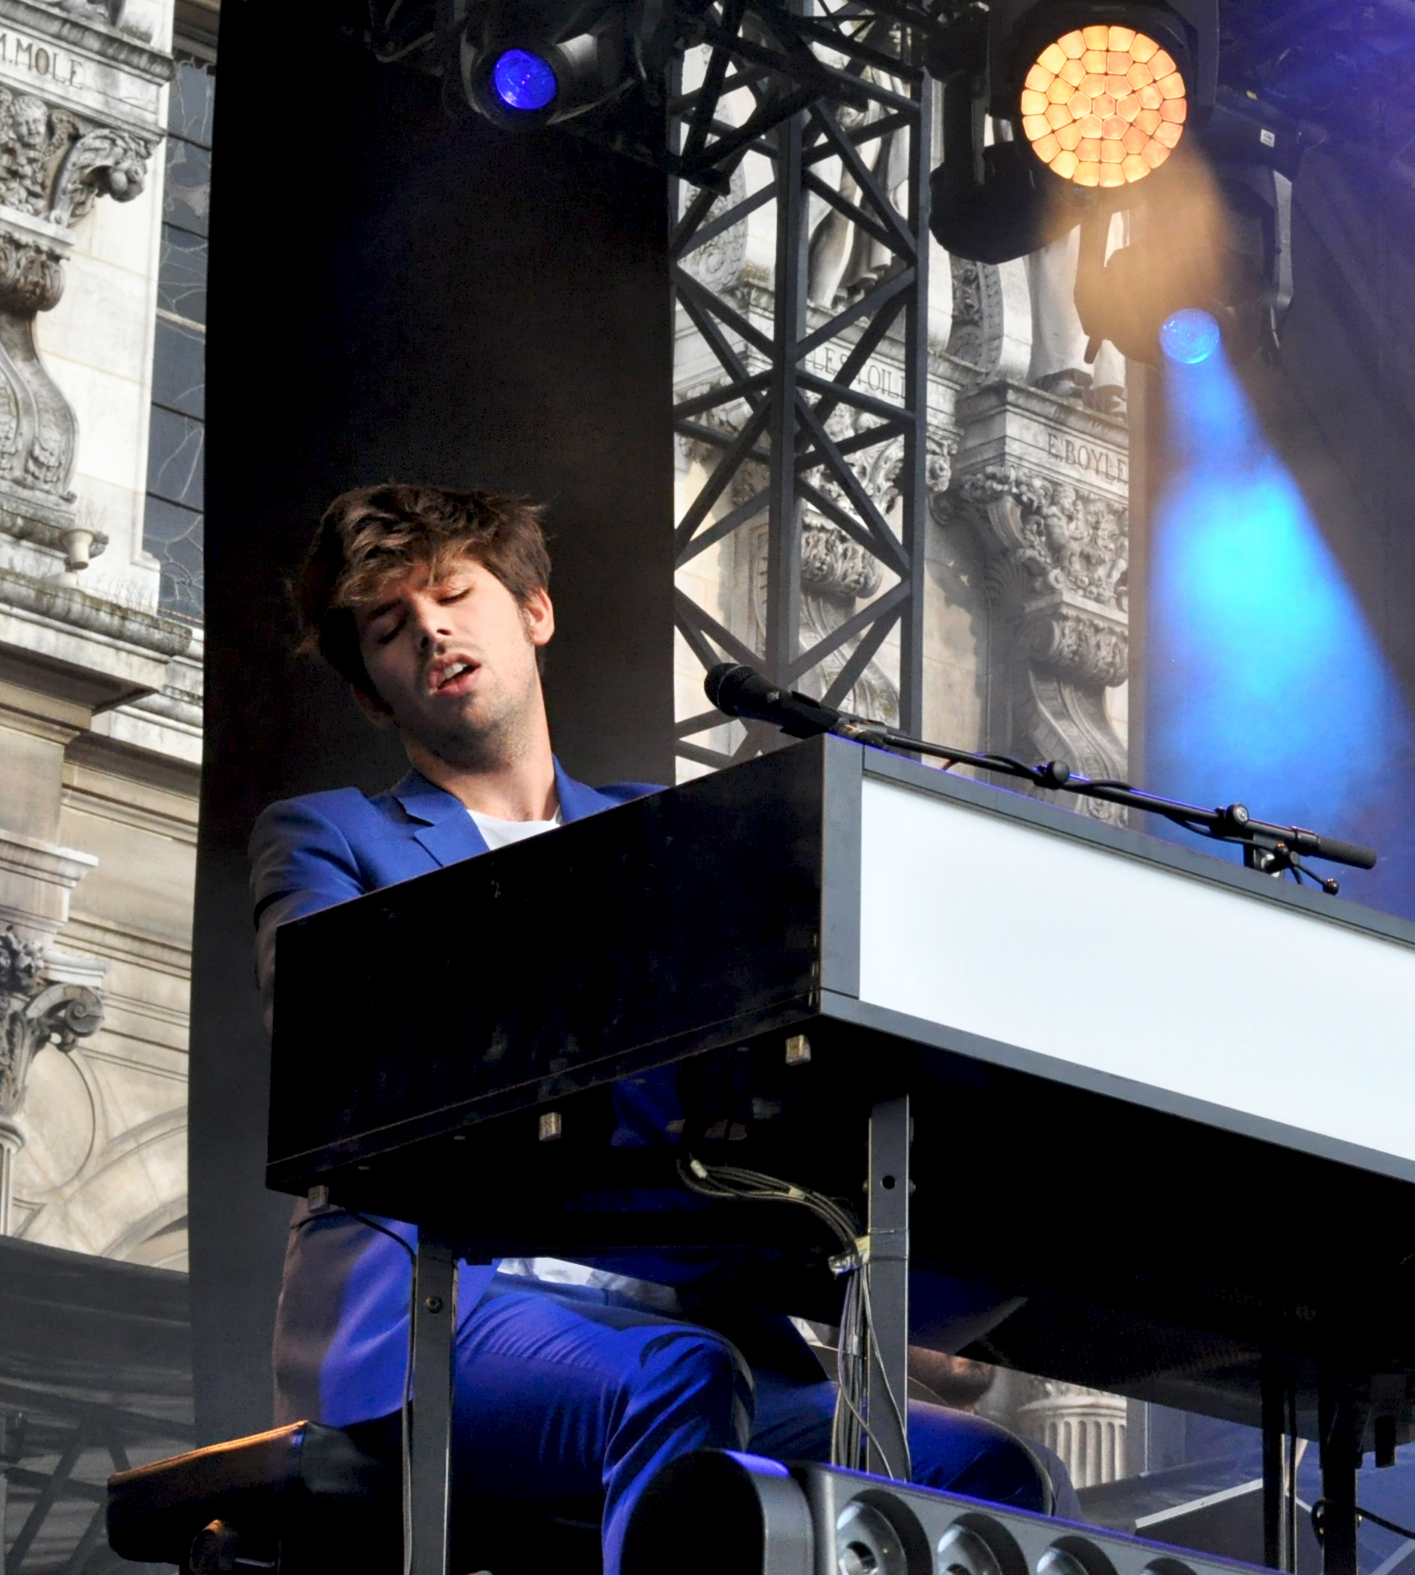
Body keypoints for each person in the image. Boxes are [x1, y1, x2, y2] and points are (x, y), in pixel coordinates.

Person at [249, 484, 1063, 1574]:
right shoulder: (328, 834)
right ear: (370, 690)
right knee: (684, 1377)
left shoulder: (669, 830)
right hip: (439, 1301)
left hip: (687, 1312)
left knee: (986, 1469)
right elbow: (329, 1038)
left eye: (453, 594)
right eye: (392, 627)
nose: (432, 631)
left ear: (534, 610)